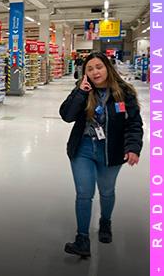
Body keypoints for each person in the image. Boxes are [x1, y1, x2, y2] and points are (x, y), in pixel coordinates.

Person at [59, 51, 143, 258]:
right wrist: (79, 93)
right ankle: (82, 239)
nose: (95, 72)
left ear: (108, 67)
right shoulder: (83, 90)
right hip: (83, 149)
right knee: (84, 193)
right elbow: (66, 116)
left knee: (106, 191)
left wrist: (132, 147)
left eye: (99, 67)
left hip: (111, 151)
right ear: (85, 72)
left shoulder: (124, 92)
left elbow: (134, 123)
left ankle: (105, 222)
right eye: (90, 68)